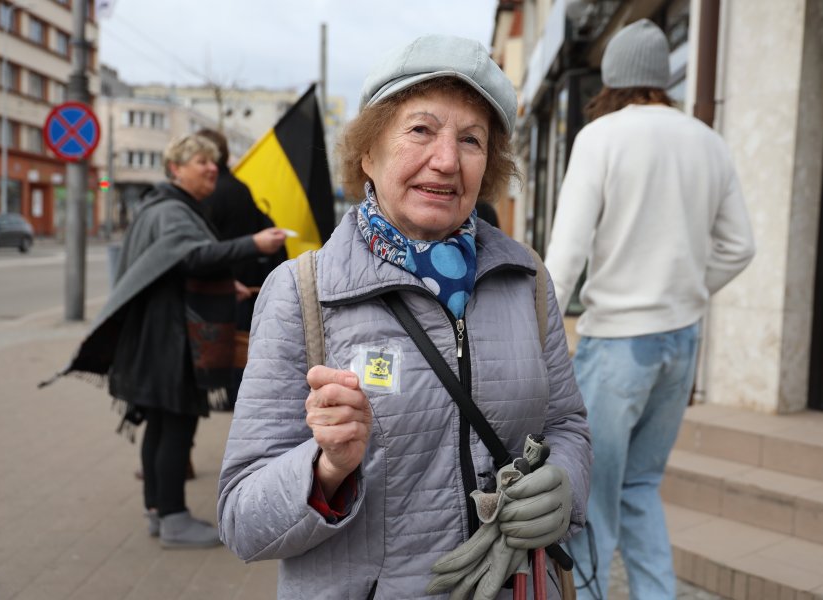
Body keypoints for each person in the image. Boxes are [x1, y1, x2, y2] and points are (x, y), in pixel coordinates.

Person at [217, 34, 593, 599]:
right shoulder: (302, 292)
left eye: (471, 139)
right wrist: (326, 469)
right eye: (420, 130)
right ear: (368, 152)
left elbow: (567, 426)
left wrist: (565, 485)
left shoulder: (527, 280)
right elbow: (241, 516)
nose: (446, 160)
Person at [544, 19, 756, 599]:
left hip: (617, 345)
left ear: (612, 76)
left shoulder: (602, 138)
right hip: (681, 342)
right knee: (639, 489)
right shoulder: (707, 140)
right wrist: (685, 289)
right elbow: (741, 247)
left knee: (588, 500)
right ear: (662, 77)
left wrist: (533, 341)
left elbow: (565, 258)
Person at [45, 133, 287, 548]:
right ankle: (174, 519)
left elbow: (173, 269)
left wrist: (228, 285)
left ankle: (157, 510)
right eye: (200, 162)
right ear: (175, 168)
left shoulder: (160, 207)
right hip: (170, 339)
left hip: (156, 335)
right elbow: (191, 257)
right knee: (175, 424)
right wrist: (254, 244)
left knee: (159, 424)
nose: (212, 168)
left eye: (213, 162)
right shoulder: (174, 210)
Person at [197, 127, 288, 407]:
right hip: (248, 284)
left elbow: (204, 249)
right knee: (241, 348)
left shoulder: (208, 194)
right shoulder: (240, 188)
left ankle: (227, 399)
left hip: (220, 285)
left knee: (224, 349)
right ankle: (239, 400)